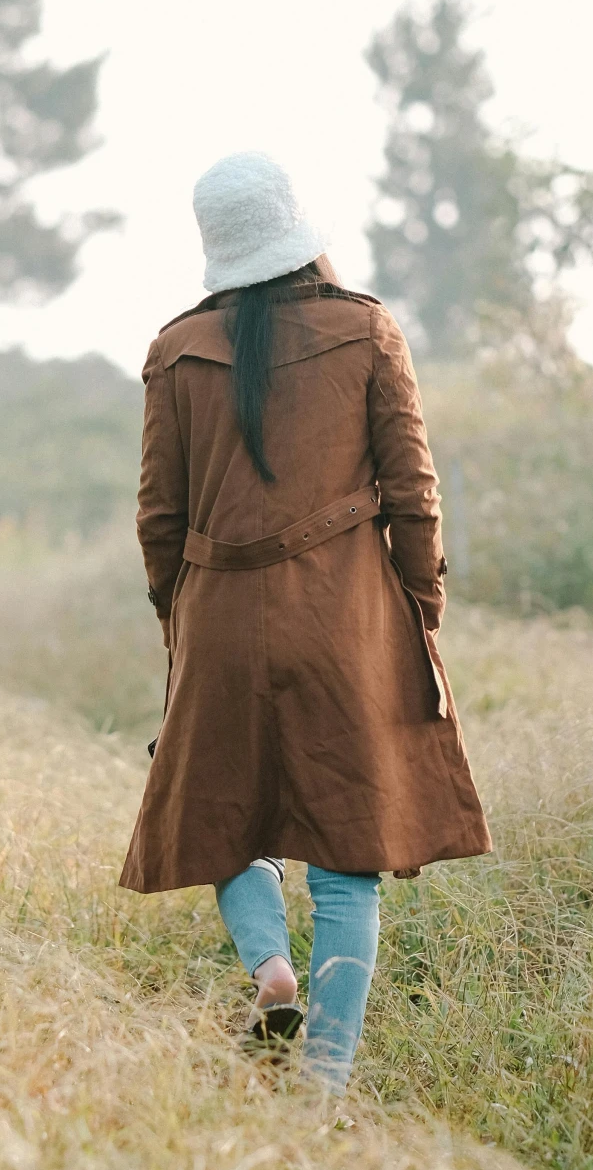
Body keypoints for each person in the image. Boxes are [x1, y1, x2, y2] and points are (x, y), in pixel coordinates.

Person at [120, 151, 491, 1089]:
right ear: (297, 232)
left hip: (217, 615)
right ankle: (323, 1084)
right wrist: (418, 609)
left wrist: (183, 622)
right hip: (344, 617)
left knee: (224, 812)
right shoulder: (364, 328)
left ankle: (269, 969)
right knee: (347, 850)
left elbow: (158, 519)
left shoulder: (173, 351)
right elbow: (413, 491)